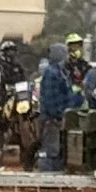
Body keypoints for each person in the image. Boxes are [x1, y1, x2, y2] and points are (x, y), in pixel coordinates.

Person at [36, 41, 71, 171]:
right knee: (51, 148)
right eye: (66, 53)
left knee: (57, 147)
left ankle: (55, 170)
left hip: (58, 117)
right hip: (52, 119)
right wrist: (56, 116)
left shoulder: (59, 71)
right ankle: (47, 174)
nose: (68, 56)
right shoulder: (52, 72)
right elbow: (50, 98)